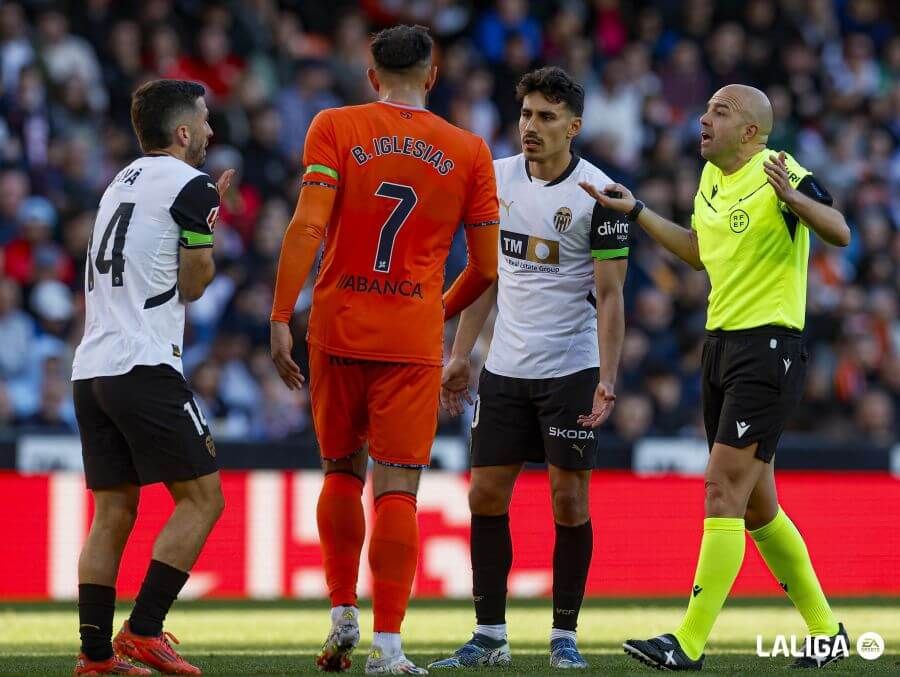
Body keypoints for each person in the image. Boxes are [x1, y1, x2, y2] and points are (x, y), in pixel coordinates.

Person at [581, 84, 851, 671]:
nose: (703, 119)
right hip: (722, 346)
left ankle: (688, 642)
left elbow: (839, 230)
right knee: (757, 508)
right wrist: (640, 212)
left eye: (718, 112)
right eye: (704, 111)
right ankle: (827, 631)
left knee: (720, 490)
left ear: (751, 131)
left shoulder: (781, 171)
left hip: (770, 348)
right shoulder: (709, 180)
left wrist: (794, 200)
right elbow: (700, 251)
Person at [269, 25, 499, 675]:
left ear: (372, 77)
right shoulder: (469, 151)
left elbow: (307, 225)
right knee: (397, 490)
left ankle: (342, 609)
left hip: (337, 328)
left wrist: (280, 315)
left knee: (341, 472)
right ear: (434, 74)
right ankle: (388, 646)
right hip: (410, 340)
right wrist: (437, 308)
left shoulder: (334, 126)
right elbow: (486, 266)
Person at [430, 66, 630, 671]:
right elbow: (486, 275)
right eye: (525, 115)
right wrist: (460, 354)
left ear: (574, 125)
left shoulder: (602, 194)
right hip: (505, 369)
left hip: (570, 369)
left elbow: (613, 295)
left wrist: (608, 377)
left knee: (569, 501)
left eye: (545, 117)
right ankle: (489, 636)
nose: (531, 128)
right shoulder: (494, 179)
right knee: (485, 496)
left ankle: (564, 633)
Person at [71, 79, 233, 676]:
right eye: (206, 122)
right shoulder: (191, 186)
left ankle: (94, 657)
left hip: (91, 369)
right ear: (183, 131)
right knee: (204, 499)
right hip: (144, 363)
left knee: (112, 511)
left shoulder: (119, 182)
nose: (212, 133)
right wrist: (209, 222)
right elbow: (193, 285)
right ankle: (142, 631)